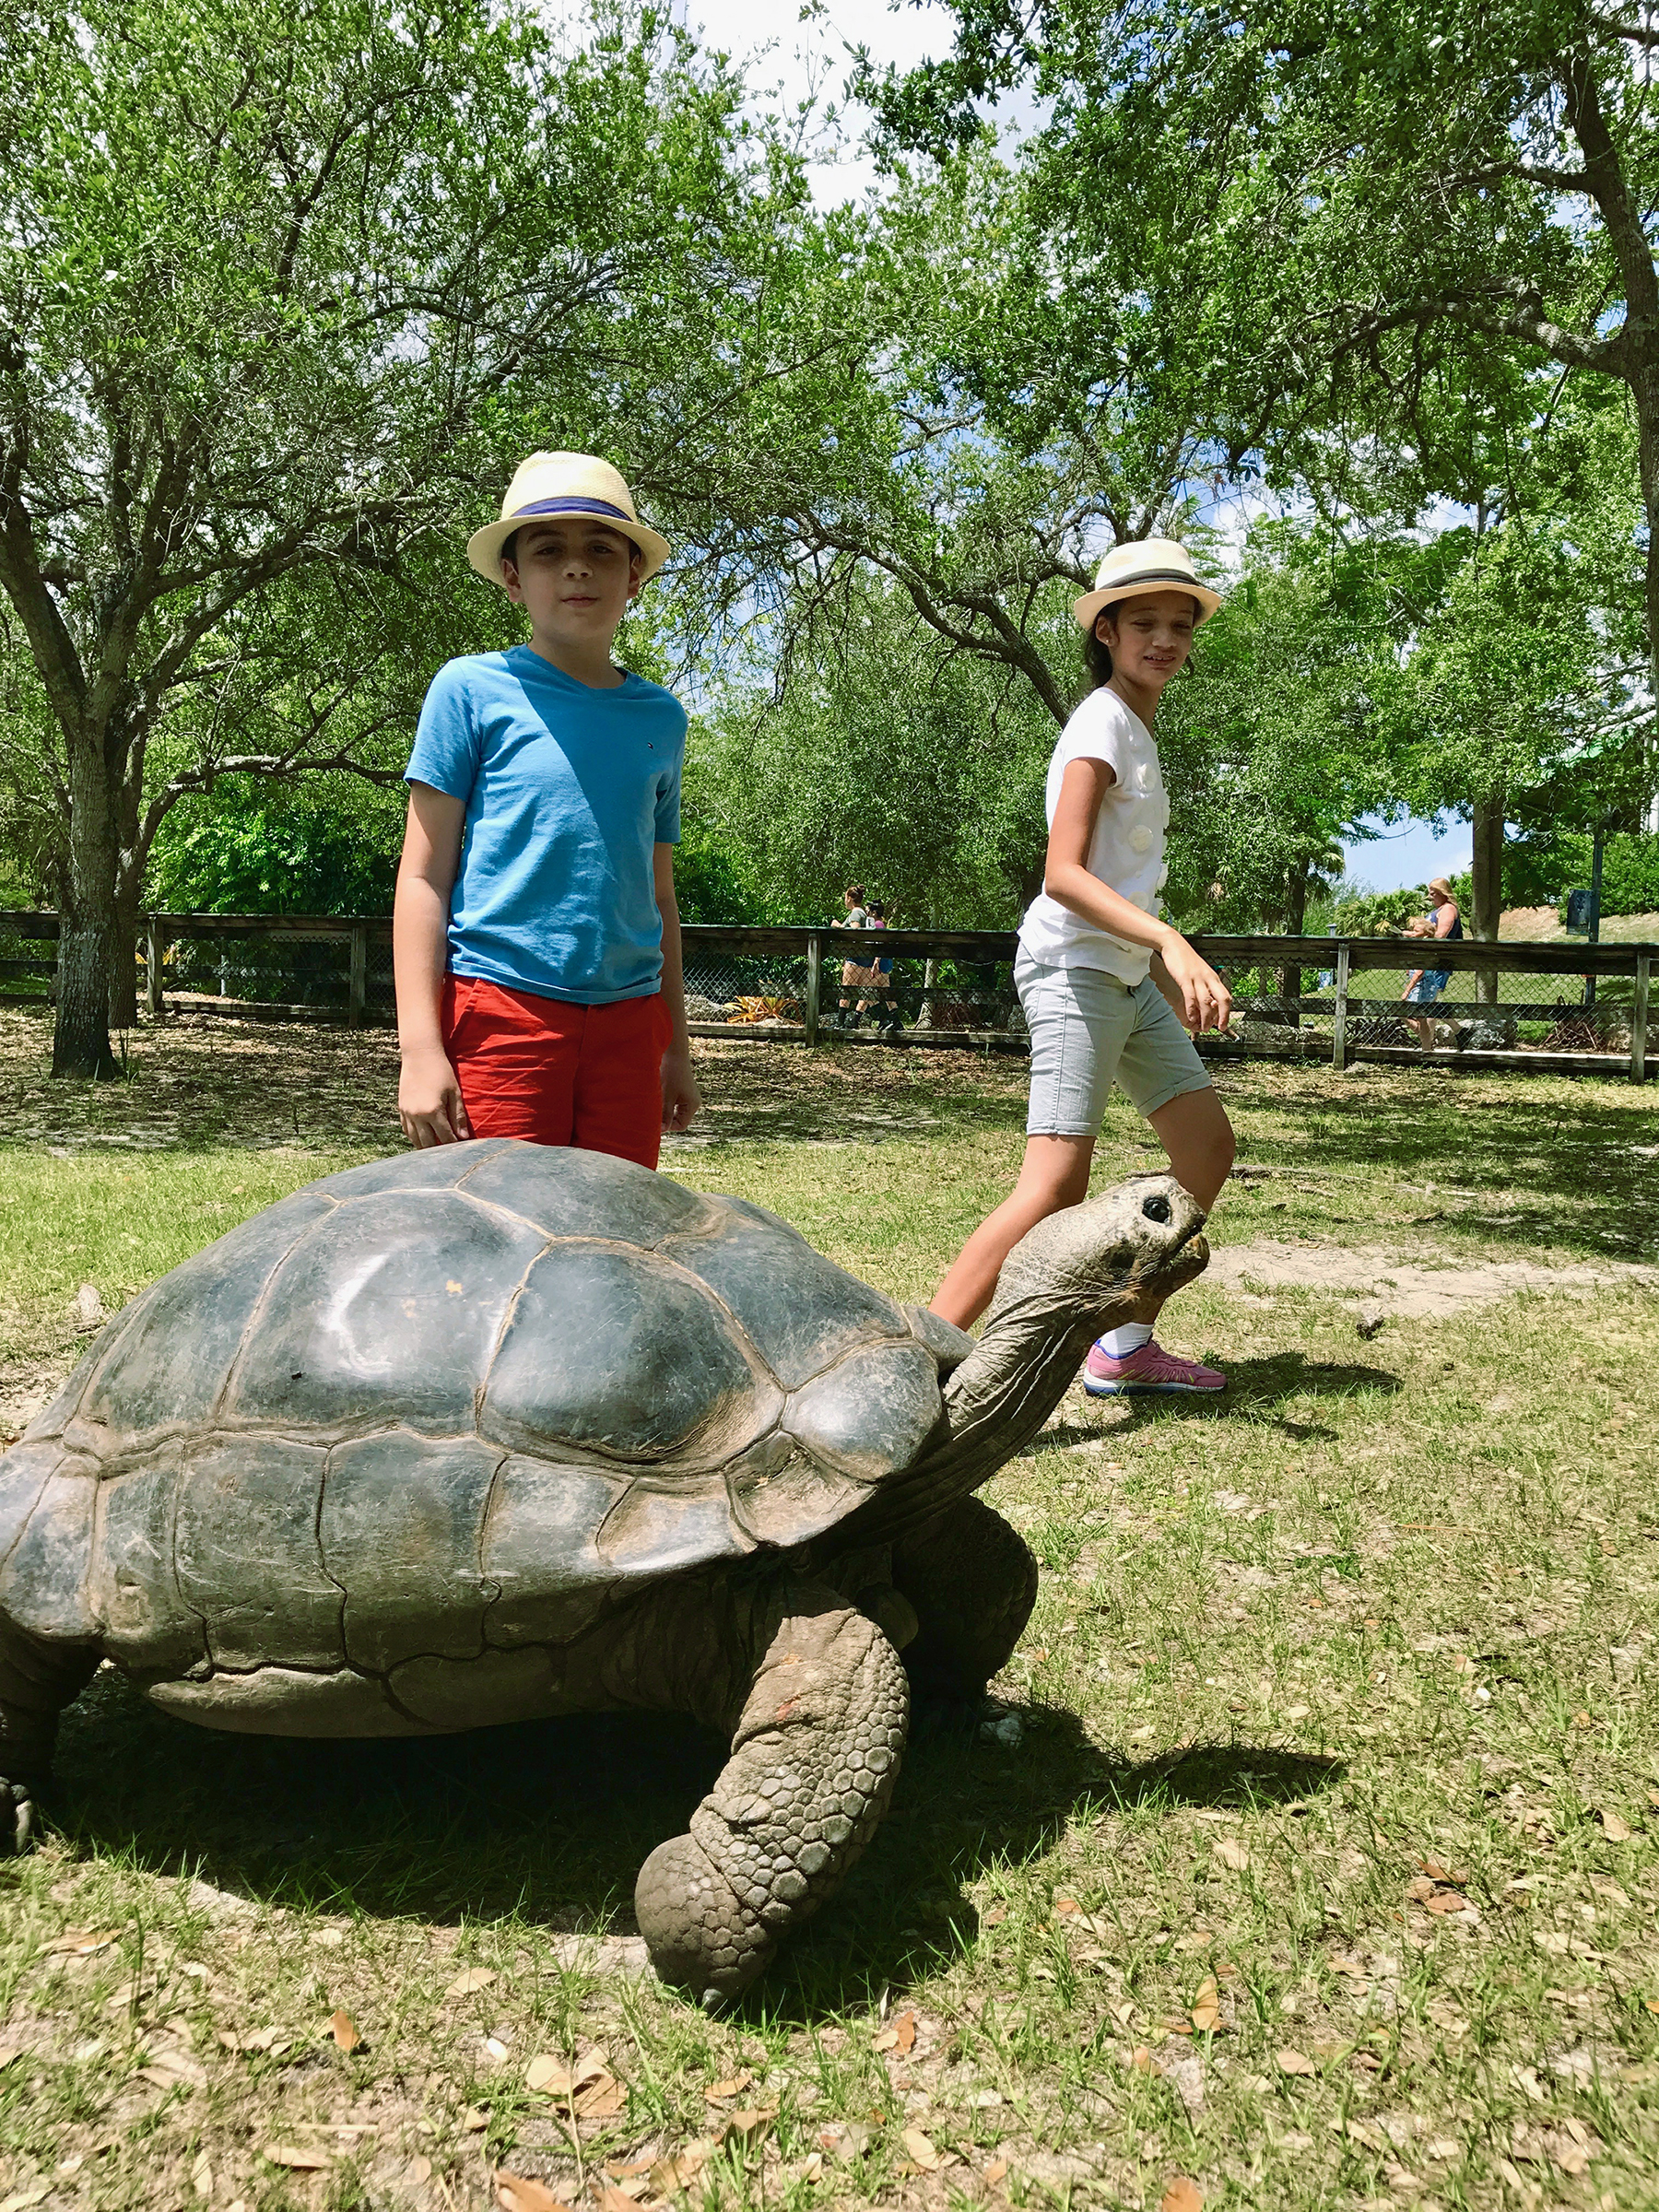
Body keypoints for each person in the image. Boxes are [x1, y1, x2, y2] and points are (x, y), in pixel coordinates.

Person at [930, 539, 1237, 1395]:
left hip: (1126, 978)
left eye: (1180, 625)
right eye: (1144, 622)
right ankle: (918, 1356)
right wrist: (1173, 941)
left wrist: (1155, 958)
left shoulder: (1136, 728)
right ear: (1105, 629)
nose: (1166, 639)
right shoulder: (1100, 721)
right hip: (1074, 971)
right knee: (1055, 1183)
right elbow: (1061, 874)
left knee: (1207, 1146)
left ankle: (1125, 1344)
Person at [394, 451, 700, 1166]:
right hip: (501, 1014)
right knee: (486, 1238)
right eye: (548, 550)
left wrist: (676, 1046)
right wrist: (419, 1049)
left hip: (630, 1025)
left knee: (614, 1240)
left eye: (600, 548)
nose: (576, 567)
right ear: (512, 575)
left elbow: (658, 895)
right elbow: (422, 878)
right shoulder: (468, 690)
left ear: (635, 575)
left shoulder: (661, 716)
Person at [1400, 877, 1463, 1051]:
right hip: (1427, 961)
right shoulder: (1439, 909)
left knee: (1424, 1007)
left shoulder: (1448, 909)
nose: (1430, 897)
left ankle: (1427, 1046)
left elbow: (1440, 935)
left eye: (1434, 893)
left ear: (1444, 893)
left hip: (1436, 963)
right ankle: (1445, 1036)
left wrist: (1416, 936)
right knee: (1429, 1006)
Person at [833, 884, 877, 1026]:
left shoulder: (856, 913)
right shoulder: (863, 913)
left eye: (845, 897)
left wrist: (838, 926)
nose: (844, 900)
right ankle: (883, 1019)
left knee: (846, 990)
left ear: (850, 898)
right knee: (864, 992)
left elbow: (854, 933)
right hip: (864, 959)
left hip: (855, 959)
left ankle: (840, 1024)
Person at [865, 900, 904, 1033]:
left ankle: (883, 1019)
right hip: (885, 963)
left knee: (867, 991)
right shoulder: (881, 924)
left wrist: (876, 962)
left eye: (868, 911)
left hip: (880, 964)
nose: (866, 914)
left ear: (874, 913)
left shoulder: (877, 925)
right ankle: (896, 1022)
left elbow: (880, 944)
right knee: (887, 995)